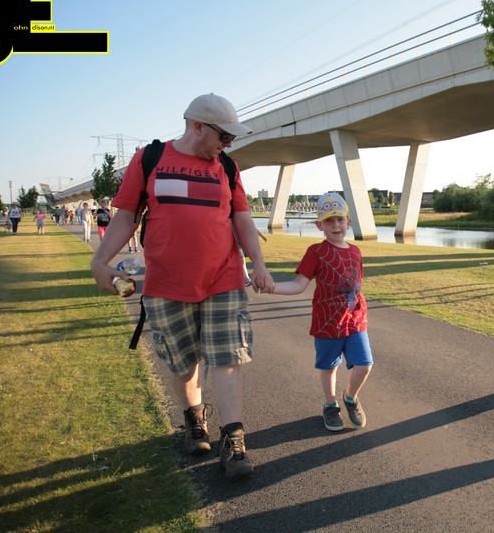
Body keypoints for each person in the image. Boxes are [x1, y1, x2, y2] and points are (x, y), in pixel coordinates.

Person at [90, 93, 274, 478]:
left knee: (226, 358)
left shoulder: (227, 167)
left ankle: (233, 440)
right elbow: (126, 216)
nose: (229, 145)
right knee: (183, 361)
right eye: (224, 136)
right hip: (167, 283)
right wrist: (100, 261)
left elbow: (242, 219)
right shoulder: (150, 159)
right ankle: (194, 420)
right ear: (197, 126)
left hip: (223, 279)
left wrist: (259, 264)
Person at [268, 193, 373, 432]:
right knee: (329, 367)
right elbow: (298, 285)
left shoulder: (356, 251)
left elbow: (355, 285)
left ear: (349, 223)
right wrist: (271, 287)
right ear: (319, 225)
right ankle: (330, 405)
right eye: (329, 221)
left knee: (364, 365)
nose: (335, 225)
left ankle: (350, 398)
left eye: (340, 219)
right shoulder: (315, 251)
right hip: (328, 321)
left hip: (356, 319)